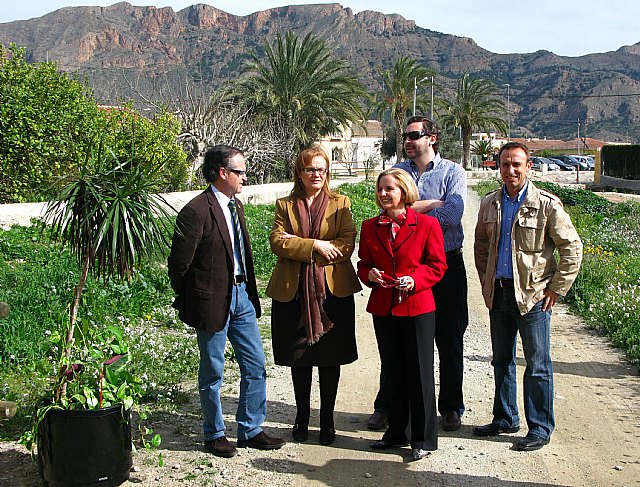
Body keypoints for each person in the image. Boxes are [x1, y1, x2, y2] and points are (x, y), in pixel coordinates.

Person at [168, 144, 285, 458]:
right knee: (213, 371)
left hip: (242, 296)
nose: (245, 178)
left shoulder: (236, 207)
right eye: (240, 172)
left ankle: (250, 429)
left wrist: (245, 289)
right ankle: (214, 433)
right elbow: (179, 266)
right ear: (222, 173)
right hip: (211, 302)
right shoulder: (196, 210)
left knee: (256, 365)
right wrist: (195, 298)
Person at [473, 141, 583, 451]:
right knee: (502, 360)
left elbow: (572, 248)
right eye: (505, 164)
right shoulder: (490, 203)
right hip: (500, 295)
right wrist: (486, 281)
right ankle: (505, 417)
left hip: (533, 297)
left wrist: (555, 289)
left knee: (537, 364)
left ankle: (540, 427)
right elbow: (481, 246)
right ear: (499, 167)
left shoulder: (546, 205)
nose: (510, 170)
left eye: (516, 164)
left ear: (528, 167)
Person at [367, 115, 468, 432]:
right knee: (397, 341)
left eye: (414, 135)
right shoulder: (397, 171)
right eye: (406, 137)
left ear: (432, 138)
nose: (408, 141)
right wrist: (429, 205)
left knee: (449, 338)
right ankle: (388, 405)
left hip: (446, 264)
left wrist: (408, 211)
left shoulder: (453, 172)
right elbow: (387, 214)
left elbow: (451, 215)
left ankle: (450, 406)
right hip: (404, 271)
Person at [266, 146, 361, 446]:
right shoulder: (285, 205)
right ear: (299, 172)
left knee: (330, 358)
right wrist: (316, 246)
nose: (317, 174)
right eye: (310, 169)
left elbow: (346, 244)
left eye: (321, 169)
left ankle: (328, 420)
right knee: (300, 358)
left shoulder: (340, 202)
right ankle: (301, 416)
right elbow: (277, 242)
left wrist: (303, 246)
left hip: (332, 292)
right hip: (293, 292)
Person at [357, 168, 447, 460]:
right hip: (384, 307)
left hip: (418, 307)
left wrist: (415, 280)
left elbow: (437, 264)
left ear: (404, 192)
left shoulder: (426, 225)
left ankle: (422, 438)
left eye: (390, 189)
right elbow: (362, 264)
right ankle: (395, 433)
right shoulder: (370, 226)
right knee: (393, 371)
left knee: (420, 373)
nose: (384, 194)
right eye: (381, 189)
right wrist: (368, 274)